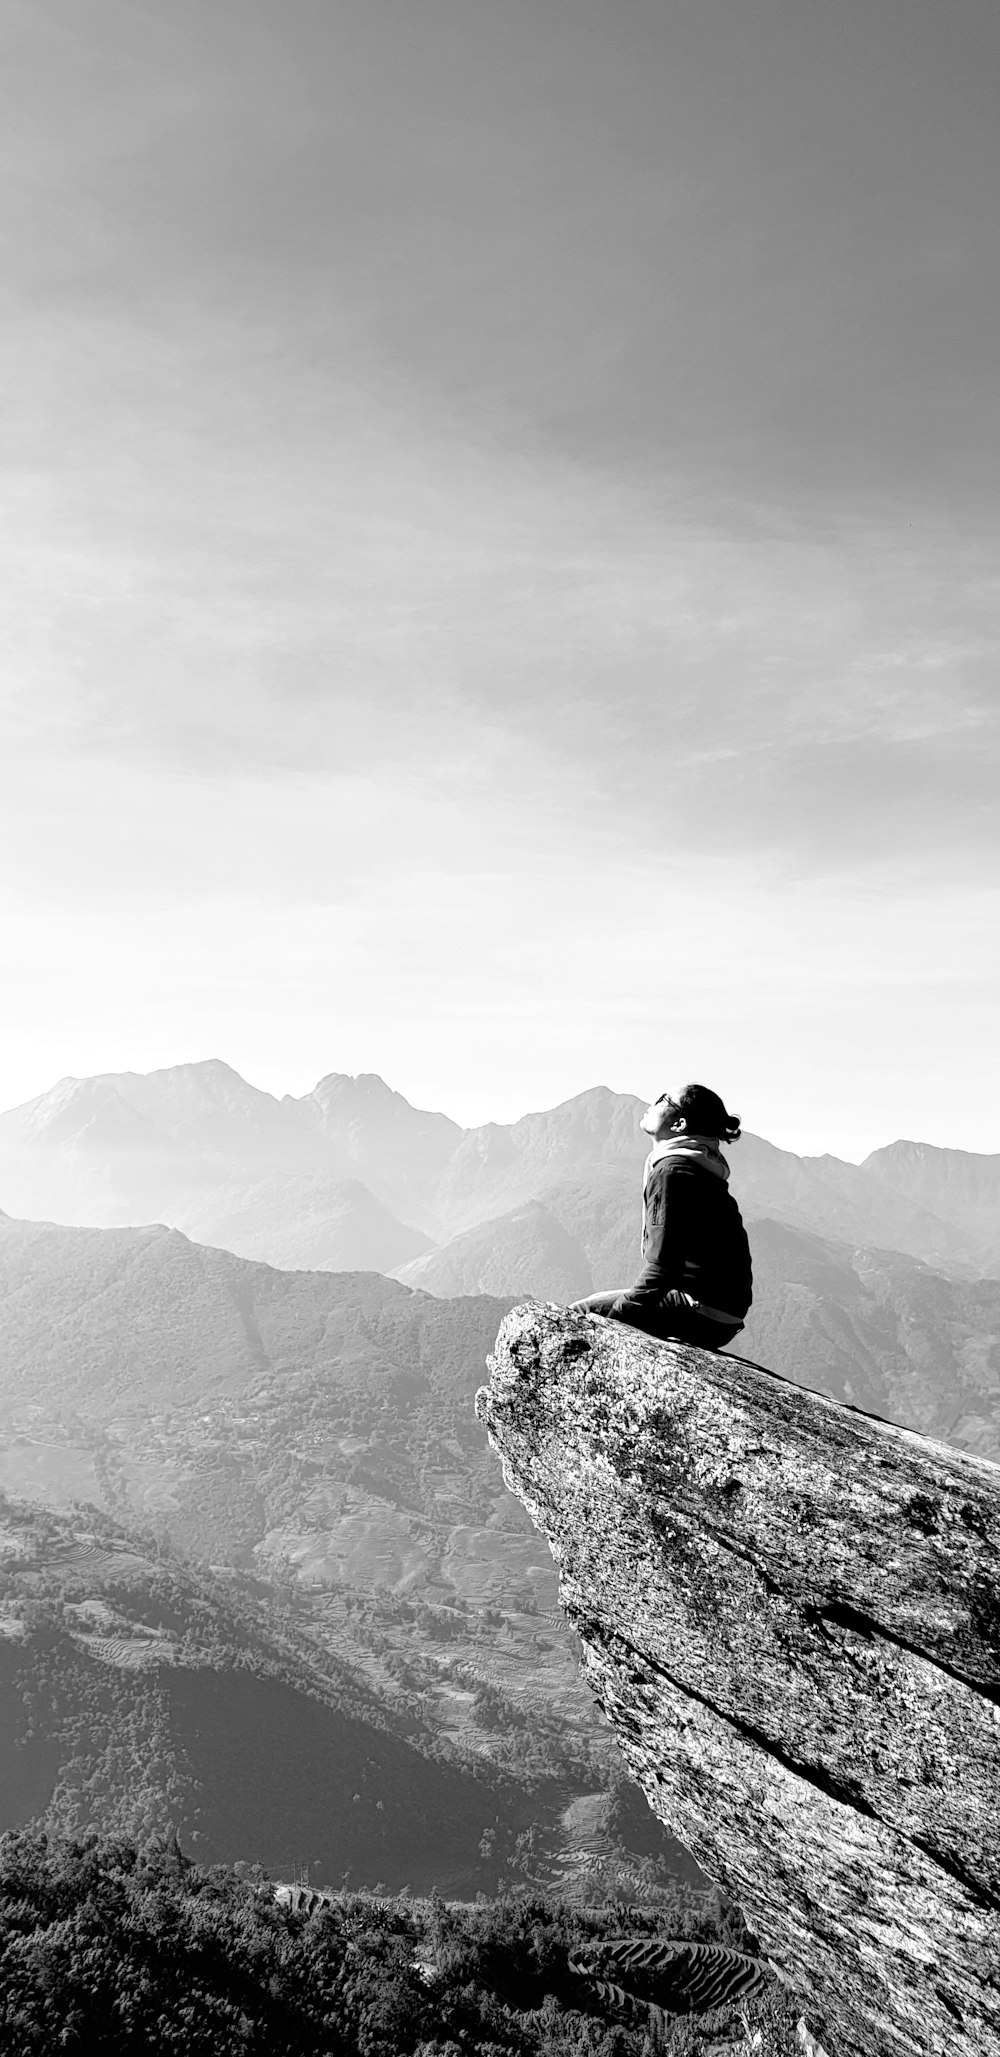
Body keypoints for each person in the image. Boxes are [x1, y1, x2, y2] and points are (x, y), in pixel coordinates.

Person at [569, 1082, 752, 1350]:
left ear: (679, 1124)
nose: (652, 1103)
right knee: (596, 1302)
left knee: (580, 1316)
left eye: (663, 1099)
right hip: (722, 1312)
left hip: (700, 1310)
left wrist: (617, 1319)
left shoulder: (672, 1172)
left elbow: (665, 1266)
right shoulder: (697, 1166)